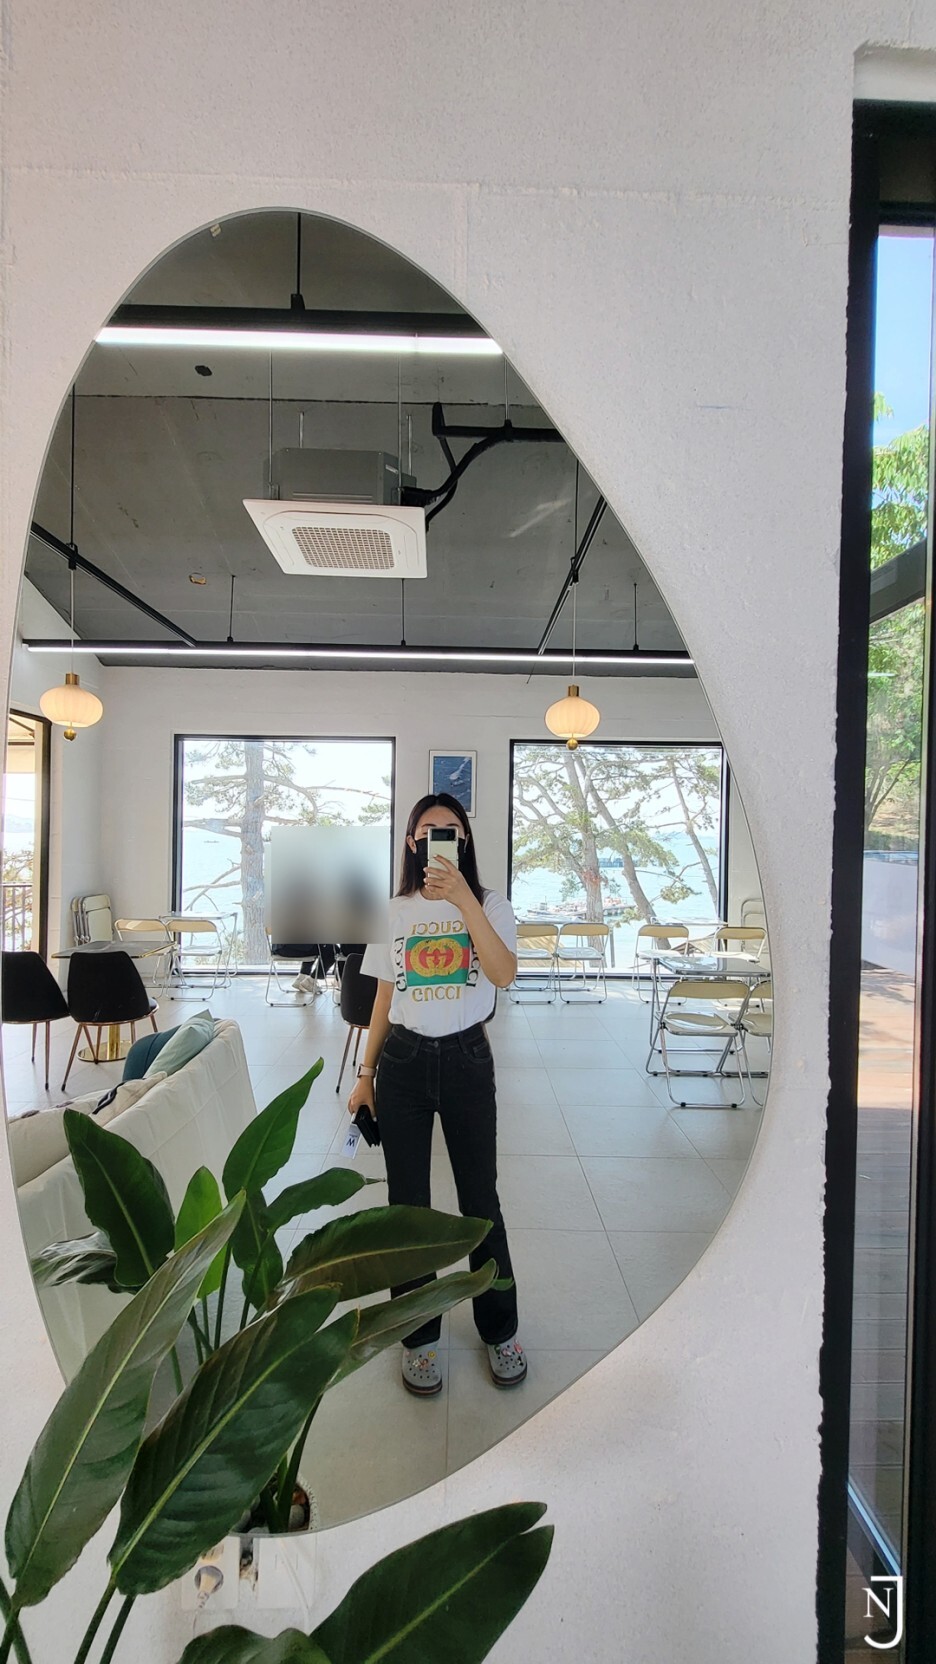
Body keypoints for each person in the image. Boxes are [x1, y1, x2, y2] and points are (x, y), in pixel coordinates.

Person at [348, 792, 527, 1397]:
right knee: (409, 1207)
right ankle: (418, 1335)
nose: (439, 838)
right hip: (403, 1061)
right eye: (428, 831)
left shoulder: (492, 905)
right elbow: (383, 996)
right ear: (411, 843)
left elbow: (503, 974)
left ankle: (500, 1328)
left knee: (481, 1202)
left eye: (451, 830)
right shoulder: (394, 910)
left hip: (468, 1059)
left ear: (465, 841)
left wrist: (463, 900)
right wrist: (365, 1074)